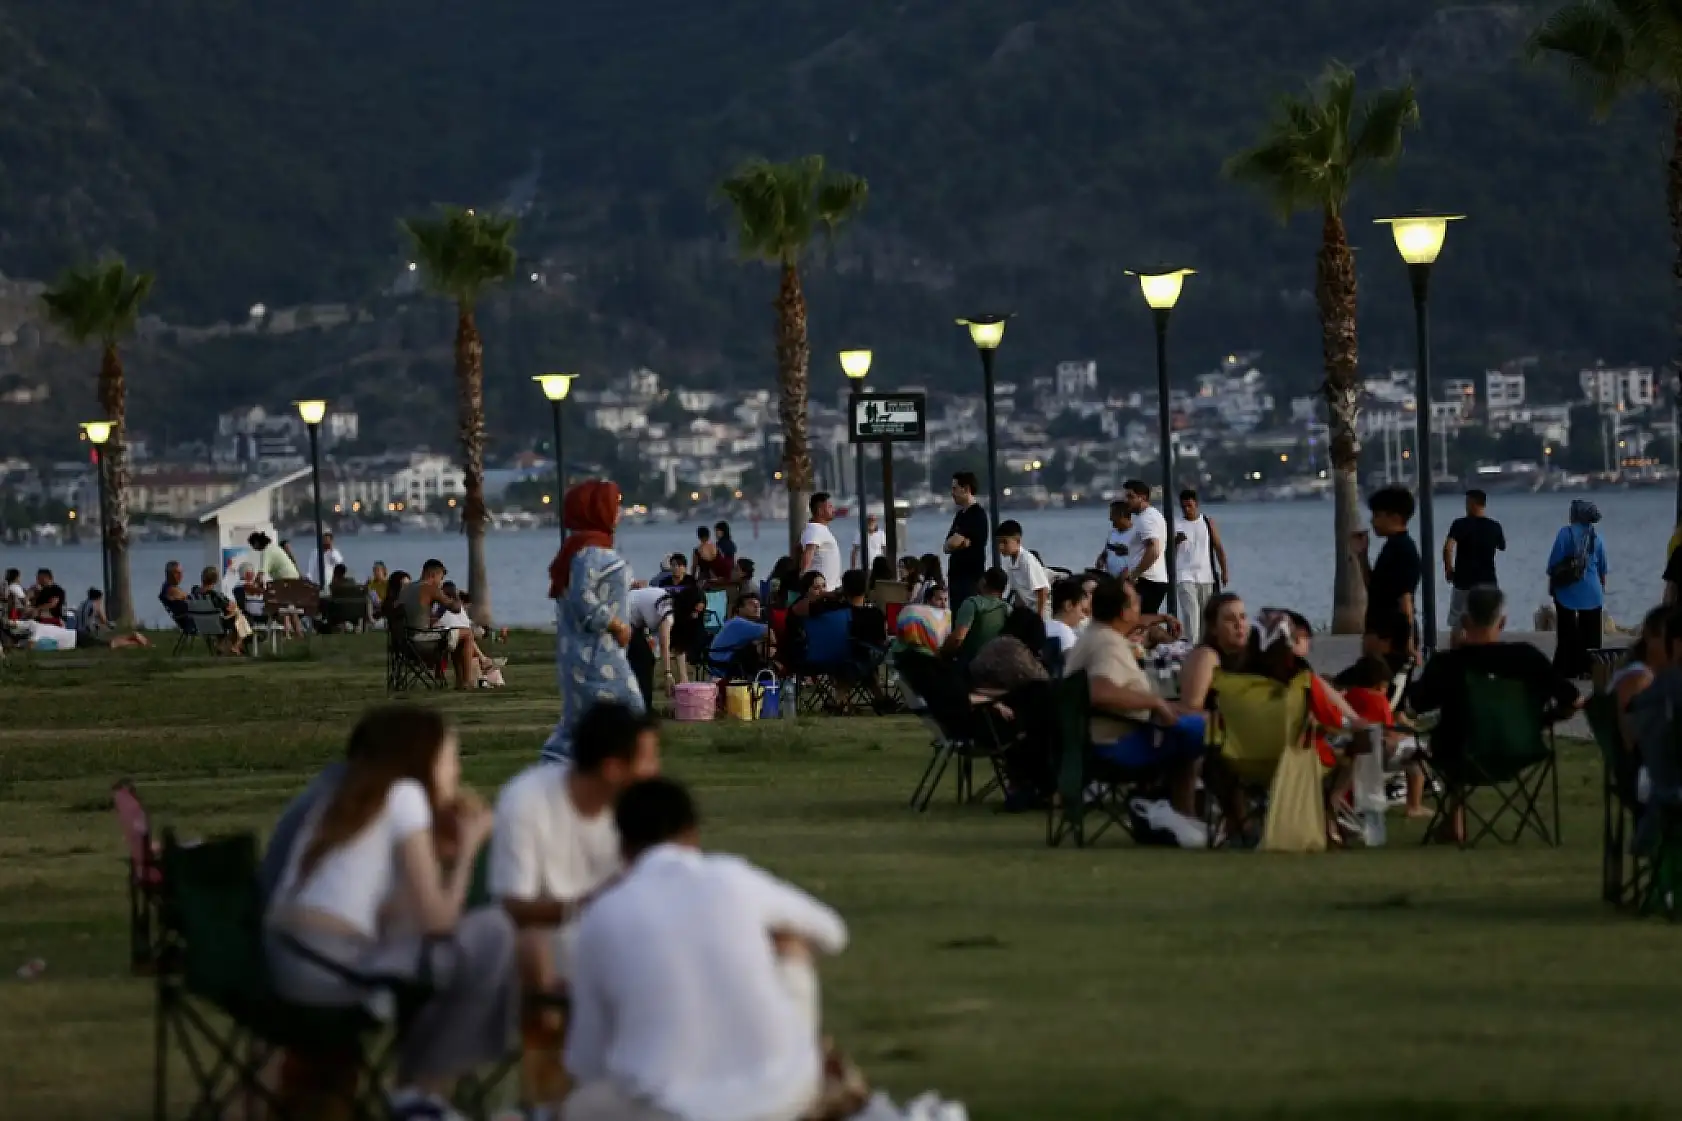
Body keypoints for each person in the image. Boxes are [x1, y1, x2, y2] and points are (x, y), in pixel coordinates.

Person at [265, 707, 514, 1121]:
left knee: (438, 957)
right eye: (451, 759)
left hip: (283, 969)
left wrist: (441, 855)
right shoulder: (406, 795)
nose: (455, 772)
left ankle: (420, 1096)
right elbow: (438, 920)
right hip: (335, 975)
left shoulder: (341, 795)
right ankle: (422, 1096)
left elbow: (387, 910)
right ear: (423, 761)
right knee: (491, 935)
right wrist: (470, 846)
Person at [564, 778, 847, 1121]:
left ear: (622, 846)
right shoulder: (731, 878)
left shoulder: (603, 915)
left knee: (581, 1107)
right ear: (693, 834)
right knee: (792, 945)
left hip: (670, 1108)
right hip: (783, 1094)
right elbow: (832, 933)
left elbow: (587, 1061)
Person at [492, 703, 661, 1107]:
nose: (655, 771)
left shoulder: (641, 809)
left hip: (622, 944)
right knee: (532, 943)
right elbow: (514, 906)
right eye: (648, 759)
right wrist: (586, 904)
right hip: (549, 946)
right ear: (613, 768)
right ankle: (550, 1100)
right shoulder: (527, 802)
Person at [1409, 586, 1581, 840]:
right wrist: (1538, 723)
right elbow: (1574, 700)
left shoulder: (1448, 663)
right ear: (1502, 622)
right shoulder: (1527, 657)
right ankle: (1454, 823)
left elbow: (1417, 704)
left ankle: (1454, 822)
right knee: (1463, 731)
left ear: (1465, 621)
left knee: (1456, 732)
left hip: (1461, 756)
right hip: (1520, 750)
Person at [1066, 576, 1205, 817]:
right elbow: (1101, 691)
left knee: (1196, 723)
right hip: (1114, 746)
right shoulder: (1106, 644)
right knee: (1201, 733)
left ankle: (1172, 807)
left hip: (1096, 741)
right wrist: (1155, 702)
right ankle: (1183, 814)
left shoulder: (1095, 636)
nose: (1140, 605)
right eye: (1136, 602)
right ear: (1123, 612)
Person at [542, 480, 645, 763]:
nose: (620, 512)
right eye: (614, 505)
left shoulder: (576, 553)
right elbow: (582, 597)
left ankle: (557, 771)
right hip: (597, 653)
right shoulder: (592, 554)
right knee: (629, 709)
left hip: (581, 652)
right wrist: (617, 625)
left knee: (580, 722)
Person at [1352, 485, 1420, 671]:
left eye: (1377, 516)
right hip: (1379, 630)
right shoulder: (1391, 547)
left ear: (1395, 517)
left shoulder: (1403, 550)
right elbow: (1374, 588)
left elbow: (1405, 599)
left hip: (1390, 636)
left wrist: (1409, 643)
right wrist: (1362, 556)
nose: (1373, 522)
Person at [1547, 498, 1610, 678]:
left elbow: (1553, 563)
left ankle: (1567, 668)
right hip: (1593, 592)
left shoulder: (1565, 534)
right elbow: (1602, 569)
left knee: (1567, 632)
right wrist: (1601, 588)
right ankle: (1590, 669)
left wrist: (1552, 584)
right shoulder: (1596, 538)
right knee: (1591, 634)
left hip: (1567, 590)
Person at [1444, 489, 1506, 647]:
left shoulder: (1459, 524)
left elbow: (1448, 548)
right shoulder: (1494, 526)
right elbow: (1502, 546)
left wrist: (1448, 569)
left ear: (1472, 503)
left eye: (1467, 503)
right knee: (1488, 620)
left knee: (1457, 620)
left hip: (1463, 580)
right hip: (1488, 582)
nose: (1465, 506)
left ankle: (1455, 655)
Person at [1174, 592, 1248, 713]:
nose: (1239, 624)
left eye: (1243, 617)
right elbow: (1190, 710)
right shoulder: (1206, 656)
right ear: (1213, 627)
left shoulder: (1246, 655)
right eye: (1230, 619)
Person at [1174, 489, 1229, 644]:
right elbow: (1166, 552)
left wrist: (1224, 571)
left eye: (1189, 506)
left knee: (1206, 616)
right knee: (1191, 613)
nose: (1187, 509)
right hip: (1184, 576)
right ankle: (1192, 647)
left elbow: (1218, 548)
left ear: (1196, 504)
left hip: (1206, 576)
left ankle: (1204, 648)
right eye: (1183, 507)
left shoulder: (1207, 522)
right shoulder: (1176, 525)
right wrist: (1175, 542)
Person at [1120, 480, 1170, 614]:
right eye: (1126, 496)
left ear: (1142, 497)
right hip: (1149, 580)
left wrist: (1134, 575)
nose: (1126, 501)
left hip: (1148, 581)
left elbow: (1154, 549)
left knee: (1141, 623)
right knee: (1144, 624)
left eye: (1130, 496)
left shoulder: (1147, 518)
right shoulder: (1146, 517)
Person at [948, 566, 1011, 666]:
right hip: (996, 666)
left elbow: (958, 638)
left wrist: (943, 653)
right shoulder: (1007, 609)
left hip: (970, 665)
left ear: (983, 581)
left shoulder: (972, 603)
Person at [624, 584, 677, 702]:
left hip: (633, 619)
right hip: (625, 615)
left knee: (645, 660)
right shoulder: (669, 612)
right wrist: (668, 673)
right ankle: (641, 705)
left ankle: (641, 703)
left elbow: (678, 647)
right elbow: (664, 643)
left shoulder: (668, 603)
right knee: (644, 660)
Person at [943, 472, 988, 607]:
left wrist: (956, 542)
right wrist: (958, 543)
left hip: (970, 580)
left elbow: (956, 541)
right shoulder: (960, 515)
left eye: (955, 488)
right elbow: (946, 546)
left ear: (966, 489)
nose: (952, 493)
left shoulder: (977, 515)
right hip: (956, 579)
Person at [708, 592, 774, 676]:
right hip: (723, 666)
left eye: (758, 604)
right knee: (761, 648)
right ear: (739, 609)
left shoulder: (736, 623)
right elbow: (771, 634)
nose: (757, 607)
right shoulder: (738, 622)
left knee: (760, 647)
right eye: (751, 604)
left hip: (720, 663)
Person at [996, 519, 1051, 618]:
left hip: (1041, 610)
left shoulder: (1026, 560)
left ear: (1018, 541)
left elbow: (1043, 590)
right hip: (1028, 609)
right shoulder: (1010, 563)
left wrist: (1039, 618)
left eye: (1004, 542)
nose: (1000, 547)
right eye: (999, 542)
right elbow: (1015, 591)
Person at [191, 564, 249, 655]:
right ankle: (235, 645)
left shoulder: (195, 591)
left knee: (236, 615)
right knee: (239, 616)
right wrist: (234, 608)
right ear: (215, 580)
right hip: (217, 623)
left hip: (201, 623)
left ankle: (223, 644)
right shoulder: (214, 595)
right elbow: (228, 606)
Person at [75, 588, 150, 649]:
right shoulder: (95, 605)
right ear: (98, 598)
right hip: (89, 634)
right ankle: (136, 641)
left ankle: (135, 638)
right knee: (111, 644)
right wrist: (111, 626)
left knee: (106, 642)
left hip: (78, 635)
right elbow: (104, 621)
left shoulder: (81, 605)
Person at [799, 492, 842, 589]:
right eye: (830, 507)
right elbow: (809, 552)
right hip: (823, 591)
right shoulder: (815, 529)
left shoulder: (820, 529)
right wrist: (803, 578)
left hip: (830, 588)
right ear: (820, 510)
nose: (833, 510)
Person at [1044, 577, 1090, 657]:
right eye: (1082, 610)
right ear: (1068, 605)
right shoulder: (1065, 633)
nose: (1083, 617)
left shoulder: (1044, 626)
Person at [1093, 501, 1134, 580]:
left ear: (1121, 515)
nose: (1110, 518)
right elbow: (1105, 552)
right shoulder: (1112, 533)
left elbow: (1141, 558)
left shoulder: (1136, 534)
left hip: (1128, 581)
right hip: (1111, 580)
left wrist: (1128, 572)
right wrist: (1101, 559)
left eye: (1112, 515)